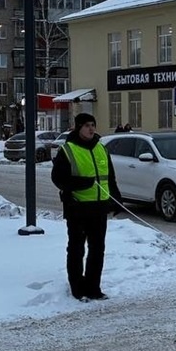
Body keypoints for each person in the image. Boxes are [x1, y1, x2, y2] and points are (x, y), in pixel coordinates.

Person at [50, 112, 121, 303]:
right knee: (76, 249)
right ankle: (77, 288)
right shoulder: (68, 150)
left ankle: (94, 287)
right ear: (78, 128)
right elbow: (58, 178)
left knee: (97, 249)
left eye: (93, 125)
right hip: (78, 208)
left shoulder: (101, 149)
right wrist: (83, 184)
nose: (91, 129)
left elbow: (110, 177)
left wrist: (115, 199)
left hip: (99, 208)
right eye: (87, 125)